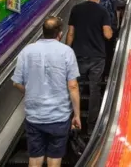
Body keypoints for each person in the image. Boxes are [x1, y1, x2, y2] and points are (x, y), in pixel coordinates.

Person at [12, 16, 81, 167]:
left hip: (34, 117)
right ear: (60, 34)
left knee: (35, 159)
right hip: (59, 117)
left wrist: (30, 91)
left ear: (42, 32)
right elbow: (73, 86)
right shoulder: (66, 52)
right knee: (54, 160)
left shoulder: (27, 51)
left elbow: (16, 82)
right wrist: (76, 115)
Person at [66, 0, 112, 134]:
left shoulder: (76, 9)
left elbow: (70, 33)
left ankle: (72, 121)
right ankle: (91, 126)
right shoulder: (102, 11)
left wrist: (67, 51)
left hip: (78, 55)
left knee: (74, 87)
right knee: (94, 89)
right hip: (97, 57)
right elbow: (107, 34)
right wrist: (110, 31)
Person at [99, 0, 126, 76]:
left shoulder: (96, 1)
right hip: (111, 30)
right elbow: (124, 2)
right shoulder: (113, 0)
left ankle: (100, 74)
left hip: (99, 31)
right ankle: (107, 73)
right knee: (109, 52)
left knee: (101, 51)